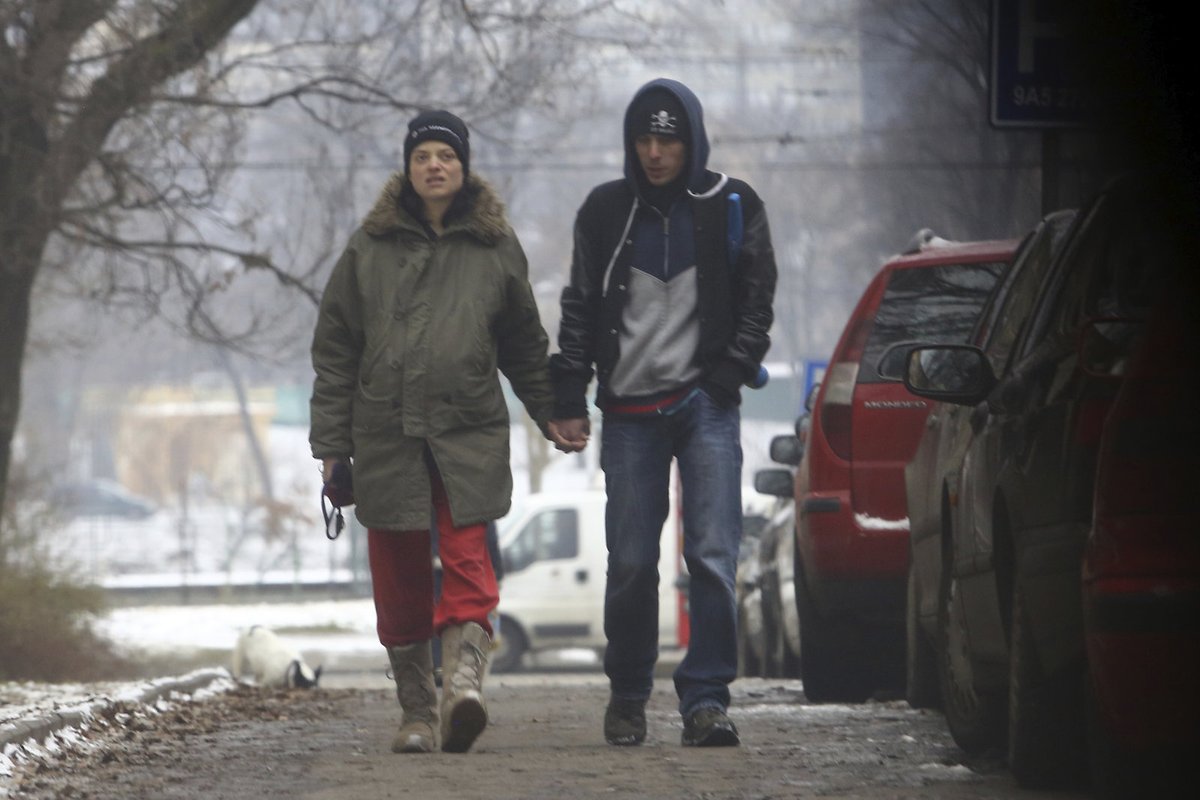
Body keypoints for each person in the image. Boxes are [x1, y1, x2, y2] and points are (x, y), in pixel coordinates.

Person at [309, 109, 554, 754]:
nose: (435, 166)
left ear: (464, 166)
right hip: (385, 436)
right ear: (408, 168)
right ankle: (417, 711)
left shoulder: (495, 246)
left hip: (465, 432)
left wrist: (554, 410)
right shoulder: (368, 248)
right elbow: (335, 350)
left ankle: (464, 688)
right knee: (398, 574)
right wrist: (332, 448)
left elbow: (525, 344)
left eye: (446, 155)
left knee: (469, 556)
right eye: (423, 157)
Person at [547, 78, 777, 747]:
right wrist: (569, 395)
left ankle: (707, 698)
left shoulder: (733, 203)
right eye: (643, 139)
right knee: (631, 561)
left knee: (711, 555)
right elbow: (581, 306)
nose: (654, 153)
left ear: (691, 141)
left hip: (706, 405)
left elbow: (759, 296)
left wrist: (729, 374)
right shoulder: (605, 211)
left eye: (667, 140)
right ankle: (627, 692)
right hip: (628, 413)